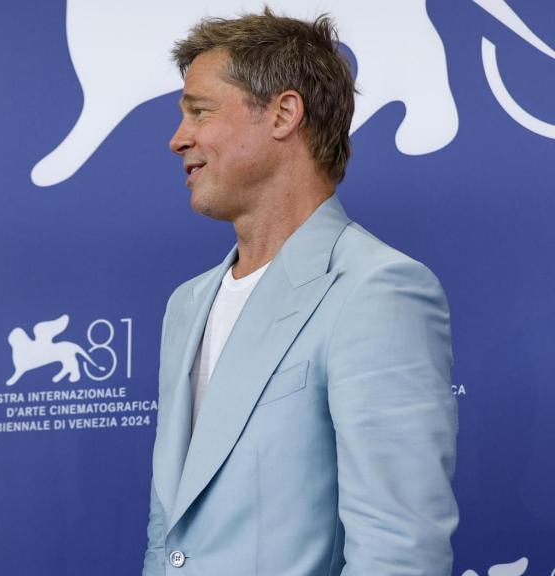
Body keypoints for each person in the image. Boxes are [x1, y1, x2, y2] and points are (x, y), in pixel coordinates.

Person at [144, 11, 458, 575]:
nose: (177, 139)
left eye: (199, 110)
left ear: (285, 113)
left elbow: (398, 550)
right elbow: (170, 533)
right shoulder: (186, 304)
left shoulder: (377, 289)